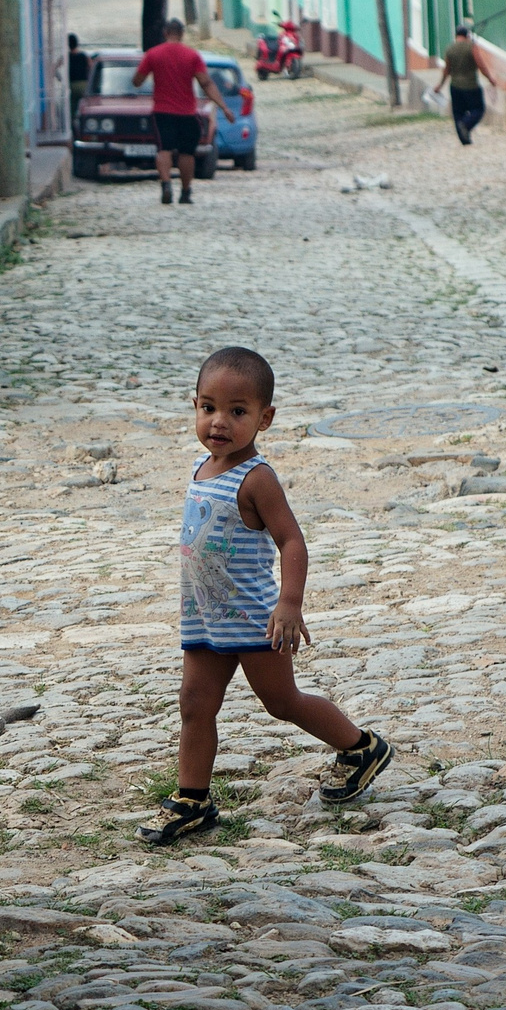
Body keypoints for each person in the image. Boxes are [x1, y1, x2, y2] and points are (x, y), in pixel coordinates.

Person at [138, 346, 394, 845]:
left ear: (265, 418)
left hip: (255, 618)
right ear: (194, 405)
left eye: (238, 412)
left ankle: (361, 746)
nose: (219, 422)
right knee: (194, 703)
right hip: (205, 618)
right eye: (208, 407)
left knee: (281, 701)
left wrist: (290, 604)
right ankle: (193, 799)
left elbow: (292, 541)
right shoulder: (200, 467)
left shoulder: (257, 479)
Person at [134, 17, 232, 204]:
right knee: (187, 153)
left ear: (165, 33)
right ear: (182, 34)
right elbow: (206, 83)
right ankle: (185, 192)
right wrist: (224, 107)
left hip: (162, 112)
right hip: (187, 112)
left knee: (164, 149)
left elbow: (137, 80)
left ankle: (166, 184)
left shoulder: (153, 54)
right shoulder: (192, 56)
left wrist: (143, 77)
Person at [443, 21, 486, 145]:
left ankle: (464, 139)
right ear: (467, 35)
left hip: (455, 87)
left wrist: (439, 85)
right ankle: (466, 125)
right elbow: (481, 65)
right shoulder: (472, 47)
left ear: (456, 36)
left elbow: (446, 70)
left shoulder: (449, 49)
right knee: (478, 109)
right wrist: (490, 78)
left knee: (458, 113)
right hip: (471, 86)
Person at [67, 33, 89, 128]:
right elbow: (91, 67)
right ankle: (84, 126)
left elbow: (55, 68)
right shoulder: (84, 55)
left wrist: (60, 78)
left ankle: (73, 130)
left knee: (72, 110)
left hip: (72, 85)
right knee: (85, 107)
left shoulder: (66, 57)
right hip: (84, 84)